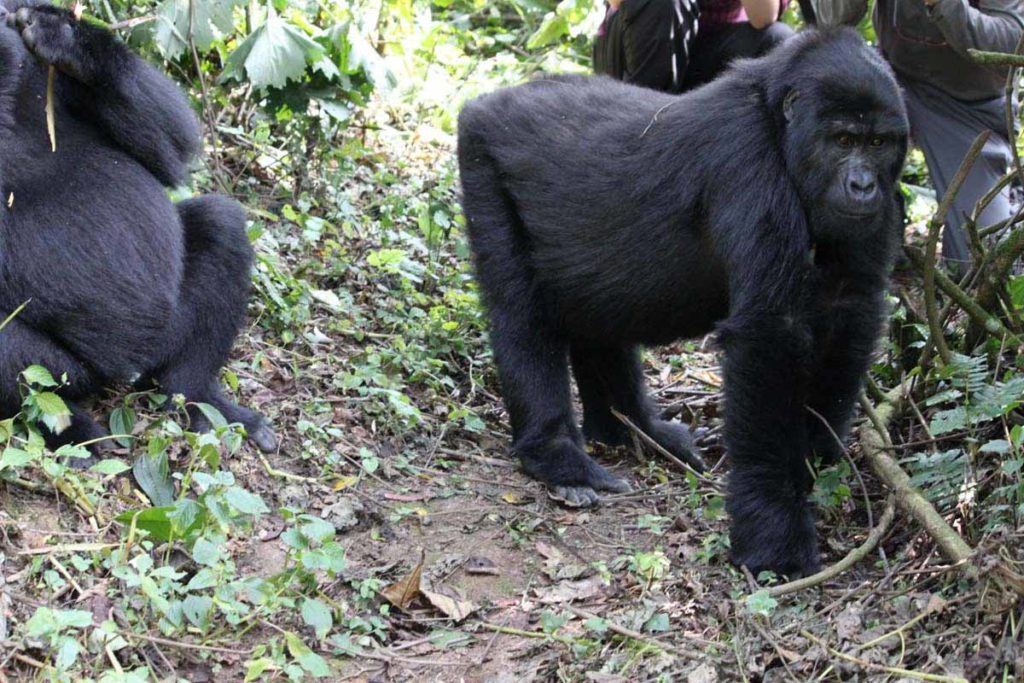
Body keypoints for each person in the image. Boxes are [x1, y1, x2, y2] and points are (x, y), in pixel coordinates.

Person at [809, 0, 1024, 271]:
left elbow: (1012, 45)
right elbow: (830, 25)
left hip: (968, 106)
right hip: (893, 77)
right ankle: (879, 223)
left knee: (981, 265)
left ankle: (1008, 193)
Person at [593, 0, 791, 93]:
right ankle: (638, 126)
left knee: (778, 40)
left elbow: (764, 18)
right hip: (636, 49)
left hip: (710, 54)